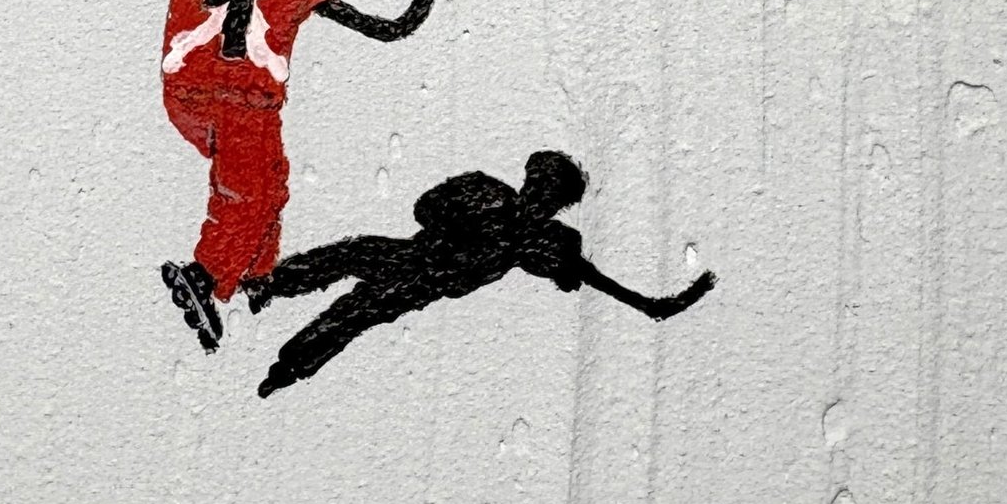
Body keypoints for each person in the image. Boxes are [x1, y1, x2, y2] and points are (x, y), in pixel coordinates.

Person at [131, 0, 440, 351]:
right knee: (249, 191)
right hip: (245, 91)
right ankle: (206, 277)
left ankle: (257, 272)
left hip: (183, 83)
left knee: (269, 177)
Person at [243, 151, 717, 396]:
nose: (541, 198)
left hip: (426, 285)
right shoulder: (488, 193)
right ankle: (270, 284)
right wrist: (456, 225)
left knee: (355, 311)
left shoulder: (548, 242)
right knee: (350, 256)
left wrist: (653, 305)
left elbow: (589, 277)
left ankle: (287, 368)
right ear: (529, 181)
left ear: (559, 204)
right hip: (413, 256)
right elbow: (425, 207)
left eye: (552, 196)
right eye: (539, 185)